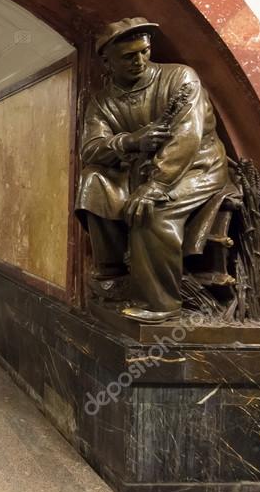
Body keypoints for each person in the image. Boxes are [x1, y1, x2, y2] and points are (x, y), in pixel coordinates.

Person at [75, 17, 230, 323]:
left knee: (153, 212)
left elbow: (186, 138)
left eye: (144, 52)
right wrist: (131, 141)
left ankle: (162, 303)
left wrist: (156, 186)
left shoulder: (181, 79)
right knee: (91, 180)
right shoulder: (102, 102)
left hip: (195, 167)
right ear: (108, 61)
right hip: (138, 168)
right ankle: (115, 274)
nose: (140, 61)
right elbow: (90, 149)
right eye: (128, 56)